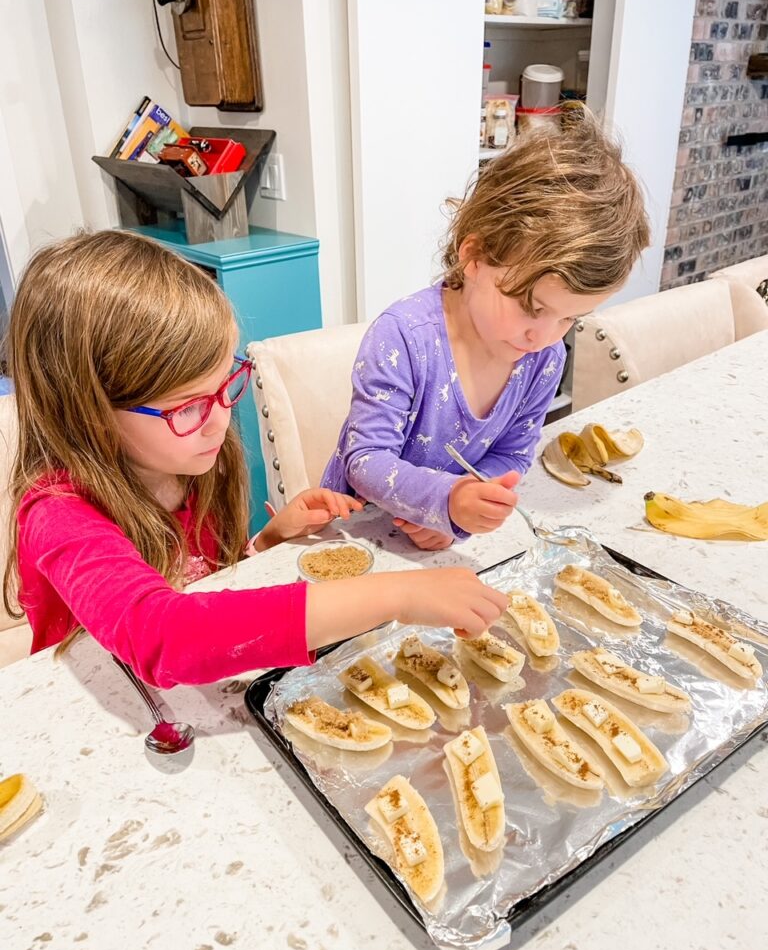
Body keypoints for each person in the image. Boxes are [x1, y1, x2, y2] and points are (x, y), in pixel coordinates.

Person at [2, 231, 507, 688]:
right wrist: (398, 595)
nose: (220, 419)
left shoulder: (186, 454)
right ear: (88, 411)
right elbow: (165, 635)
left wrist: (265, 543)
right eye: (190, 405)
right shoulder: (58, 514)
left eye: (225, 386)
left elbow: (201, 579)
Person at [321, 109, 650, 550]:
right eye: (532, 307)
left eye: (570, 318)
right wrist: (446, 501)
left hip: (430, 544)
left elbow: (513, 454)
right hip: (352, 536)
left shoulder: (545, 358)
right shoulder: (403, 338)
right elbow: (367, 461)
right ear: (473, 255)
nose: (545, 336)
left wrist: (464, 510)